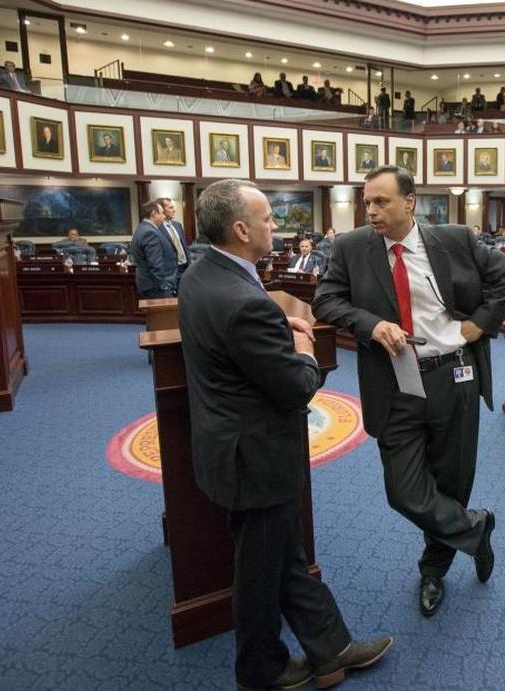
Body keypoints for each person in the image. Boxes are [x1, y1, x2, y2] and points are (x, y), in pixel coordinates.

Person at [178, 179, 393, 690]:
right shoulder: (242, 301)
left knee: (283, 557)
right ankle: (260, 671)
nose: (276, 225)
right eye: (268, 218)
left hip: (229, 446)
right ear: (240, 228)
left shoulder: (200, 272)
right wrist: (300, 347)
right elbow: (297, 388)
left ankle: (331, 647)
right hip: (255, 458)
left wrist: (275, 331)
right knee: (259, 572)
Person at [313, 166, 505, 617]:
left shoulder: (455, 239)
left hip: (454, 375)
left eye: (381, 201)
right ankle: (474, 528)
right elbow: (325, 300)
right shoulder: (352, 248)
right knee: (404, 490)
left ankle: (433, 570)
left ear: (410, 202)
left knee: (451, 480)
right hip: (394, 382)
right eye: (367, 201)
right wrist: (372, 324)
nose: (371, 210)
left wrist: (479, 324)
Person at [132, 200, 182, 298]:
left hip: (153, 285)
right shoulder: (150, 233)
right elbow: (155, 265)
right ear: (153, 213)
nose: (164, 216)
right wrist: (165, 286)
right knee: (165, 313)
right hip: (157, 288)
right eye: (162, 213)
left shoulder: (143, 228)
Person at [158, 197, 190, 276]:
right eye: (171, 207)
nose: (174, 210)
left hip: (185, 268)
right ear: (162, 209)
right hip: (171, 272)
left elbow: (184, 246)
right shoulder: (157, 228)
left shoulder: (177, 225)